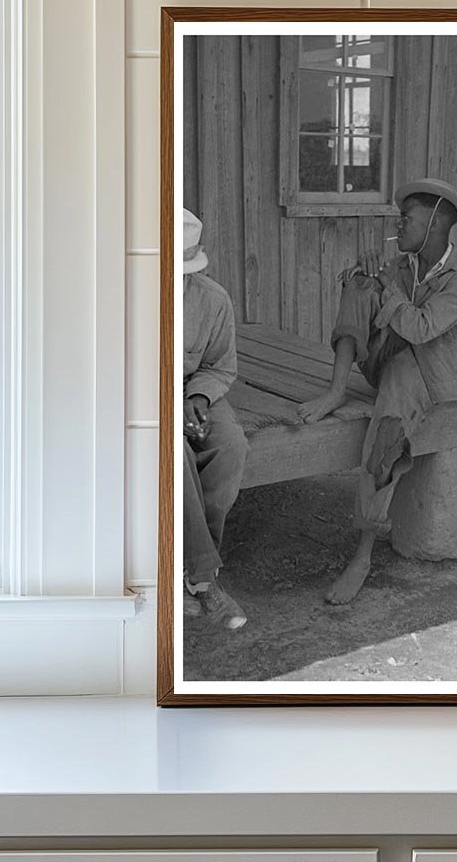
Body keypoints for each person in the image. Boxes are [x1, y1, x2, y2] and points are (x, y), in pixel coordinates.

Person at [297, 178, 457, 605]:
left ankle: (362, 555)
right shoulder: (402, 263)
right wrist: (367, 278)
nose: (399, 226)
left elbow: (421, 328)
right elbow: (378, 307)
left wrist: (390, 290)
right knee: (359, 283)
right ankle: (336, 390)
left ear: (435, 225)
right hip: (386, 363)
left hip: (428, 379)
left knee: (386, 433)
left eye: (407, 220)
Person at [181, 208, 249, 628]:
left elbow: (221, 366)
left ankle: (184, 566)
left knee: (231, 444)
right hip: (139, 394)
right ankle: (204, 580)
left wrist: (199, 397)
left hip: (193, 390)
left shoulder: (212, 299)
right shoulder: (120, 292)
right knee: (174, 452)